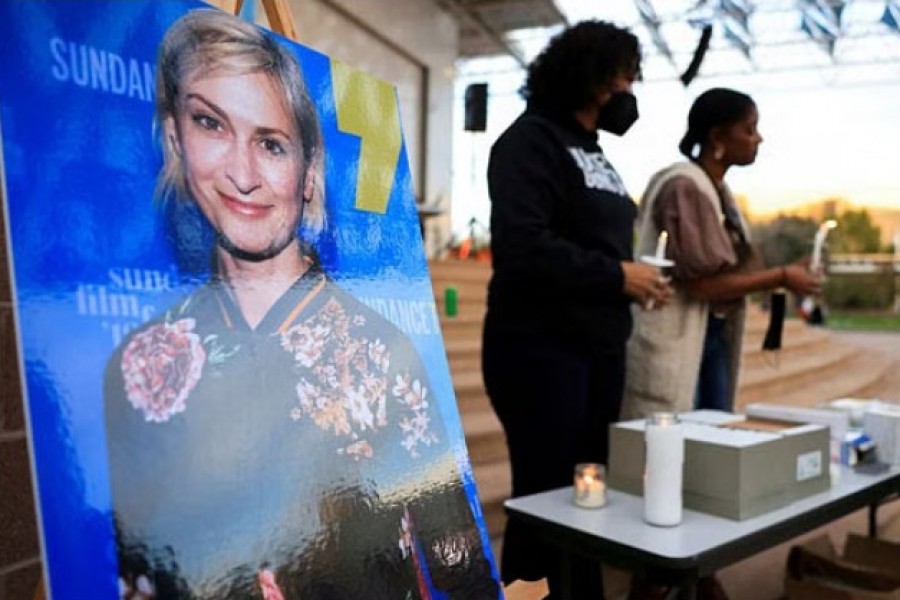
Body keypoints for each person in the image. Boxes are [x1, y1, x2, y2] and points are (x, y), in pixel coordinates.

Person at [103, 10, 499, 600]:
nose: (242, 173)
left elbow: (458, 565)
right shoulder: (138, 368)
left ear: (310, 172)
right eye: (211, 123)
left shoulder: (378, 356)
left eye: (271, 143)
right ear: (175, 139)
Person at [481, 20, 671, 599]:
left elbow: (593, 239)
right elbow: (522, 248)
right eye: (623, 77)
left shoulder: (595, 152)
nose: (631, 89)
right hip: (539, 349)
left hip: (599, 348)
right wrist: (617, 275)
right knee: (545, 501)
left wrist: (634, 275)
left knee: (589, 494)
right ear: (587, 74)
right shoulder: (529, 142)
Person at [623, 87, 821, 424]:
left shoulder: (717, 190)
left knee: (710, 444)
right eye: (749, 128)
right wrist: (782, 276)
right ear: (717, 136)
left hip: (708, 336)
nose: (758, 138)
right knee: (679, 446)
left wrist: (787, 271)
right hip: (679, 336)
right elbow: (704, 286)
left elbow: (726, 274)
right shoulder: (685, 186)